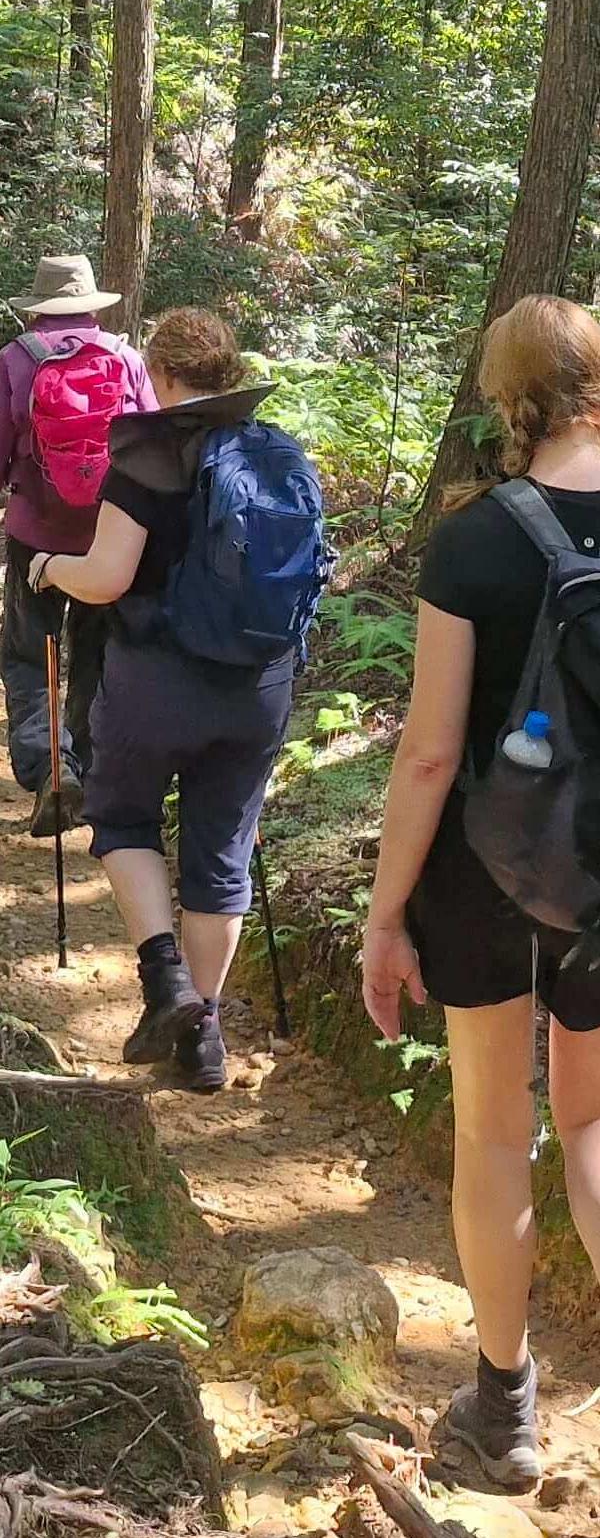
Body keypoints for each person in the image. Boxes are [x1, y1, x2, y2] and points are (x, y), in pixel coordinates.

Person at [362, 294, 600, 1490]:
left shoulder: (474, 539)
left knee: (495, 1129)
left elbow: (430, 752)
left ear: (508, 396)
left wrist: (385, 912)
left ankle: (502, 1413)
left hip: (486, 873)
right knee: (598, 1128)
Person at [29, 307, 295, 1094]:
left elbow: (107, 577)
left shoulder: (146, 457)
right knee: (221, 854)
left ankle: (165, 982)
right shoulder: (274, 449)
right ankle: (204, 1040)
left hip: (157, 678)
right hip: (260, 684)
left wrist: (47, 566)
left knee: (123, 816)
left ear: (161, 374)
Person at [0, 253, 156, 837]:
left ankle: (48, 771)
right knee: (95, 652)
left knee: (28, 651)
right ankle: (89, 768)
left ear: (36, 308)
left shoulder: (15, 361)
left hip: (34, 535)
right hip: (110, 542)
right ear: (92, 304)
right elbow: (150, 446)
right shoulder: (125, 357)